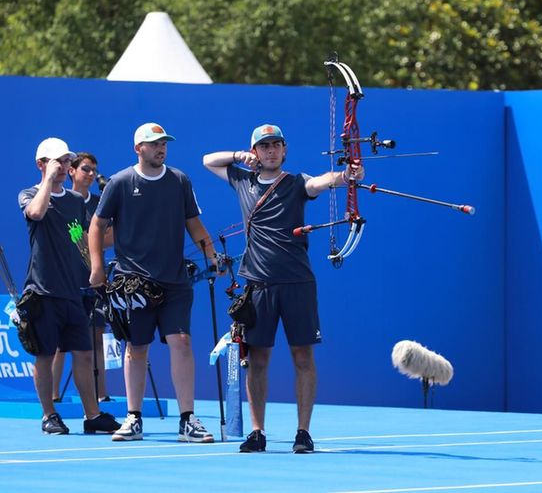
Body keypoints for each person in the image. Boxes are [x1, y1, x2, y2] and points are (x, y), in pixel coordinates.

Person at [203, 123, 362, 453]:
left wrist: (347, 175)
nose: (271, 150)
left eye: (276, 145)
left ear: (284, 149)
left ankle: (303, 432)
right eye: (264, 146)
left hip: (297, 283)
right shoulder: (243, 180)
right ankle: (257, 432)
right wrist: (237, 156)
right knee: (257, 359)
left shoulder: (296, 183)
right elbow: (208, 160)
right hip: (258, 285)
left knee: (302, 356)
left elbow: (323, 182)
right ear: (255, 152)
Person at [88, 122, 218, 443]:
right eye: (154, 143)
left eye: (164, 143)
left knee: (182, 342)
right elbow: (96, 225)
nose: (161, 148)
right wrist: (97, 267)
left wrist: (212, 254)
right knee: (136, 347)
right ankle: (133, 418)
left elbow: (194, 225)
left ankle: (187, 419)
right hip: (133, 283)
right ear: (138, 148)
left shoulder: (179, 181)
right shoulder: (119, 182)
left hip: (174, 282)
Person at [19, 137, 121, 435]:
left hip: (74, 292)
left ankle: (92, 415)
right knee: (46, 355)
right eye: (57, 162)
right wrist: (48, 181)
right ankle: (49, 415)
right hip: (42, 291)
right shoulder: (29, 194)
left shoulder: (76, 201)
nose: (64, 167)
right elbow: (36, 214)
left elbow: (79, 238)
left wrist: (93, 269)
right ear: (41, 165)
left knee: (84, 352)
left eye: (66, 161)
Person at [52, 152, 114, 403]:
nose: (90, 175)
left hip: (95, 279)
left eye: (93, 170)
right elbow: (73, 240)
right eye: (85, 169)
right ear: (72, 172)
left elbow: (111, 238)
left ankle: (101, 394)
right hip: (67, 279)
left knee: (96, 335)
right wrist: (91, 240)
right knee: (59, 342)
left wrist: (92, 242)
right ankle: (54, 396)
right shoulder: (65, 201)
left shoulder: (102, 203)